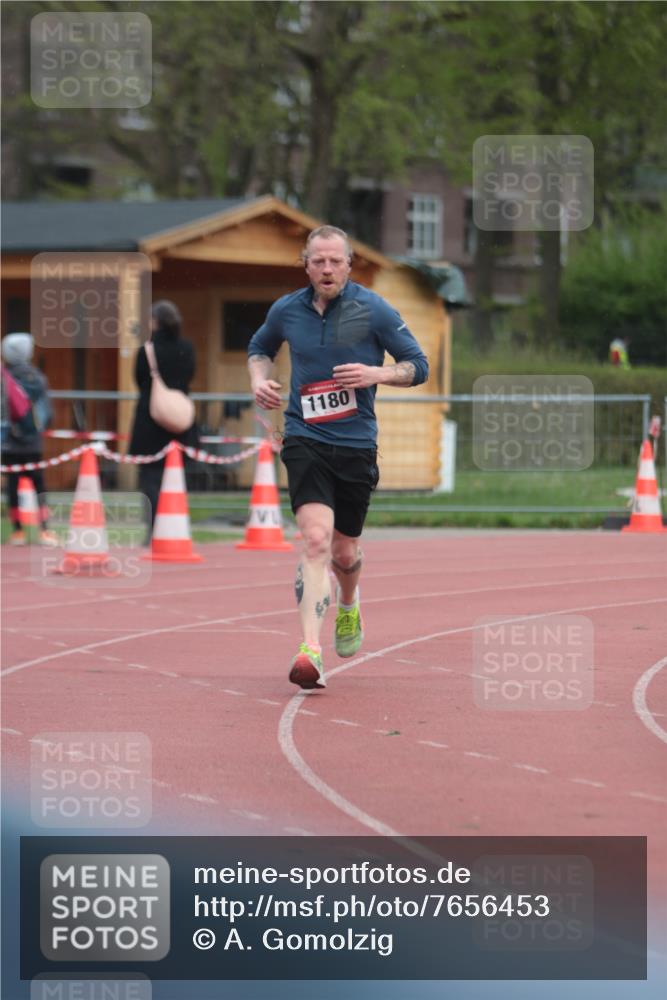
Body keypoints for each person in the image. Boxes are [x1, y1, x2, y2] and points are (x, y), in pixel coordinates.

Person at [248, 225, 429, 690]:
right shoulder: (287, 309)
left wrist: (378, 373)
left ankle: (348, 604)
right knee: (314, 540)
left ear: (349, 264)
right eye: (317, 261)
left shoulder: (373, 310)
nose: (326, 269)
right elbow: (259, 348)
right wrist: (258, 380)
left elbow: (418, 366)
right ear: (305, 264)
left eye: (335, 261)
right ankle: (311, 649)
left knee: (345, 551)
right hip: (305, 438)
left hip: (355, 445)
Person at [127, 300, 198, 542]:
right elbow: (189, 375)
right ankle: (176, 527)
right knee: (177, 476)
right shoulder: (186, 348)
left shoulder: (146, 351)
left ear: (155, 322)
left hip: (151, 419)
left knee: (150, 479)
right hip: (179, 419)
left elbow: (139, 379)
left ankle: (153, 529)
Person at [1, 332, 57, 546]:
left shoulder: (3, 377)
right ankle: (44, 530)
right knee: (39, 484)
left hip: (8, 442)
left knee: (12, 485)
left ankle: (17, 532)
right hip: (33, 441)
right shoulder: (38, 378)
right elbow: (47, 413)